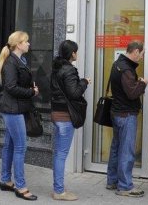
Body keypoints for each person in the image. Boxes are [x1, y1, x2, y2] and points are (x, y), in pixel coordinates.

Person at [0, 31, 39, 201]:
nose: (29, 44)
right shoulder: (11, 62)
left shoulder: (20, 60)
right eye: (26, 42)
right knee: (20, 147)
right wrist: (31, 92)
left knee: (10, 146)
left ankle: (6, 180)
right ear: (19, 44)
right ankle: (20, 186)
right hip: (13, 109)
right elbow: (11, 87)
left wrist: (30, 87)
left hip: (16, 108)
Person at [106, 41, 147, 198]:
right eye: (142, 54)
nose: (142, 57)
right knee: (127, 151)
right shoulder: (126, 69)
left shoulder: (117, 64)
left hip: (116, 113)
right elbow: (131, 93)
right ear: (136, 51)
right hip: (126, 114)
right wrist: (142, 84)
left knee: (116, 147)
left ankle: (112, 180)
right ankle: (124, 186)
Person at [50, 40, 91, 201]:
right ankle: (59, 191)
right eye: (76, 51)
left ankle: (58, 187)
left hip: (56, 113)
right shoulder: (69, 70)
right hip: (66, 116)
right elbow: (74, 93)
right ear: (72, 53)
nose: (77, 54)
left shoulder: (57, 67)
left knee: (58, 153)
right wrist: (84, 82)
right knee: (61, 154)